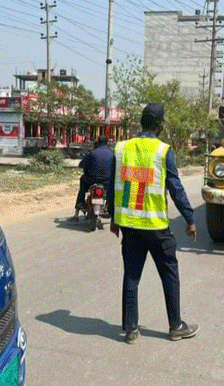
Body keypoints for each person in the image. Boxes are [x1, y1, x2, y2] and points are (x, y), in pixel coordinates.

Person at [107, 103, 198, 344]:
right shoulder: (163, 150)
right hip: (156, 228)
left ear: (140, 122)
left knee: (131, 276)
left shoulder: (121, 148)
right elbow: (176, 188)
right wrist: (189, 218)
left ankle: (130, 329)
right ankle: (175, 325)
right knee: (169, 274)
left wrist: (113, 218)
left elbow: (111, 185)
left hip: (129, 225)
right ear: (160, 126)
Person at [70, 135, 114, 221]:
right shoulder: (112, 154)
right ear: (107, 143)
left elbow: (83, 164)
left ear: (97, 142)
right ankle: (108, 205)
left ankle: (81, 203)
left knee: (82, 181)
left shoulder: (93, 153)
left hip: (91, 180)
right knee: (111, 191)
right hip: (106, 181)